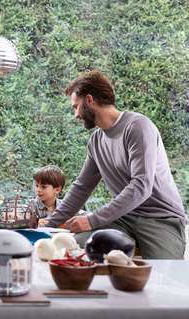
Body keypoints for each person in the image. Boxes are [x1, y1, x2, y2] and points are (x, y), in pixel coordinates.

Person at [46, 69, 187, 259]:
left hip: (160, 218)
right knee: (78, 245)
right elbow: (81, 188)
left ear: (89, 100)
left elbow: (141, 186)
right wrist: (50, 224)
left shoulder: (138, 127)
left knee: (164, 274)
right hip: (123, 217)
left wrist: (92, 220)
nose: (75, 114)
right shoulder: (96, 140)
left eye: (75, 106)